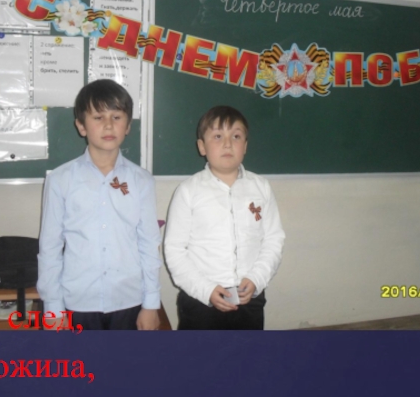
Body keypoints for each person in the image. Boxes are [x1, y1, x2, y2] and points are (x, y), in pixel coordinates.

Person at [37, 79, 161, 330]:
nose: (108, 125)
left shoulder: (142, 181)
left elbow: (149, 244)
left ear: (128, 125)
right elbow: (50, 247)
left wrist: (151, 304)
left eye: (116, 117)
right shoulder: (60, 180)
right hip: (76, 302)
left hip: (129, 300)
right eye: (98, 117)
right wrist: (53, 307)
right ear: (81, 126)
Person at [164, 106, 285, 330]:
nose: (228, 144)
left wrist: (257, 278)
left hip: (248, 298)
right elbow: (174, 250)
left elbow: (273, 240)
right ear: (202, 146)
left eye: (236, 136)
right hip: (200, 301)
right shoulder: (188, 191)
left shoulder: (261, 188)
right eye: (218, 136)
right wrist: (205, 290)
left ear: (245, 146)